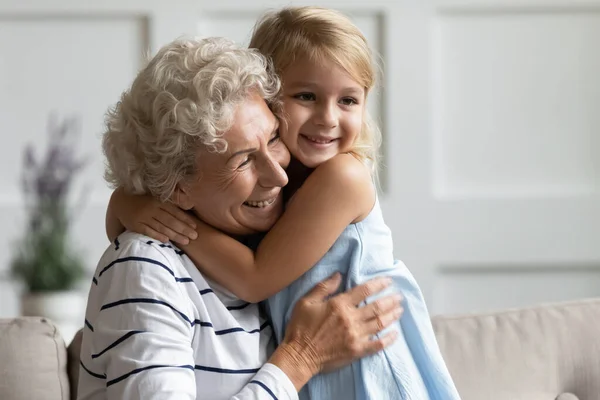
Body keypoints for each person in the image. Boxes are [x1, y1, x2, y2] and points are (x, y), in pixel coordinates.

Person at [108, 6, 460, 400]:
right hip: (320, 372)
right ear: (269, 99)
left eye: (348, 100)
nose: (328, 118)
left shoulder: (342, 177)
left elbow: (255, 278)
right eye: (306, 96)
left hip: (369, 369)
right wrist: (130, 204)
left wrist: (140, 209)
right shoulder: (273, 193)